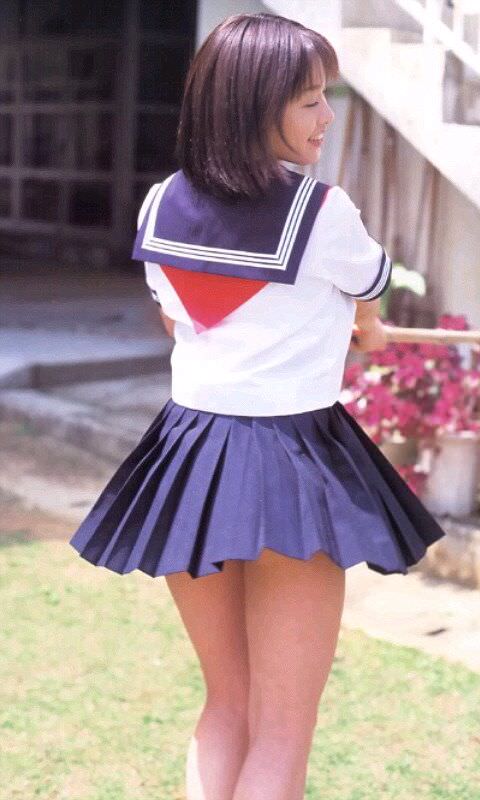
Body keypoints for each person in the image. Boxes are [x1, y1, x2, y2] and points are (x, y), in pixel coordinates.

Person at [68, 12, 447, 800]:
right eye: (310, 100)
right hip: (289, 465)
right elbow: (367, 295)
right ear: (251, 107)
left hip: (188, 464)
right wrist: (365, 329)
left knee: (227, 706)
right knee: (283, 729)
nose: (327, 117)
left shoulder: (159, 203)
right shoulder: (322, 212)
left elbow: (179, 320)